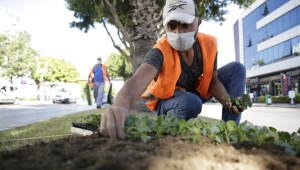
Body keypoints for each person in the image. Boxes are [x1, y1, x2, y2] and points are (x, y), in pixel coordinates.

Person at [100, 0, 246, 139]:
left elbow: (213, 82)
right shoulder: (159, 51)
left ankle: (230, 131)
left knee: (236, 69)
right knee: (192, 102)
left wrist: (228, 101)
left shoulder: (209, 44)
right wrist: (121, 105)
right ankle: (169, 129)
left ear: (198, 23)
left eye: (185, 25)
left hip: (193, 94)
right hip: (167, 102)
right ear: (165, 27)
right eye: (172, 26)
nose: (179, 32)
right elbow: (138, 81)